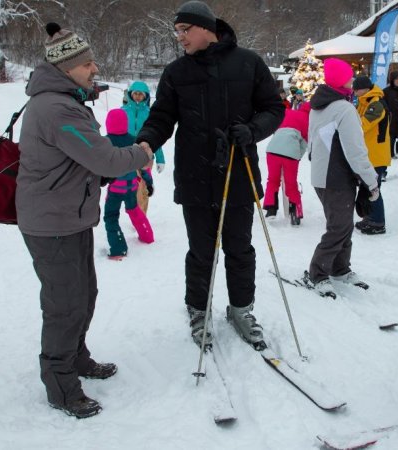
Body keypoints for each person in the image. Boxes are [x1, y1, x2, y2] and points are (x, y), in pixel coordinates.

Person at [16, 22, 153, 419]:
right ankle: (61, 386)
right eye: (88, 63)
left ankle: (76, 358)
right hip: (51, 221)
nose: (96, 69)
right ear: (66, 68)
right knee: (64, 305)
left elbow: (85, 161)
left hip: (69, 216)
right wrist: (142, 152)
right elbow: (105, 158)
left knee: (84, 295)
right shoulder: (56, 107)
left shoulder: (67, 101)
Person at [135, 1, 284, 351]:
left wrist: (252, 130)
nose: (180, 37)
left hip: (238, 171)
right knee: (201, 252)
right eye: (177, 31)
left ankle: (241, 309)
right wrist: (144, 144)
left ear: (206, 28)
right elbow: (161, 118)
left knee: (240, 249)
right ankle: (199, 310)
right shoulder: (176, 72)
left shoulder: (249, 63)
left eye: (185, 30)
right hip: (195, 175)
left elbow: (275, 108)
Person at [299, 59, 379, 299]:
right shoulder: (344, 109)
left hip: (324, 176)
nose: (353, 80)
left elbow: (314, 141)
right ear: (341, 80)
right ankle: (317, 273)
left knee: (341, 225)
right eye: (349, 76)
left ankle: (340, 268)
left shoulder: (318, 106)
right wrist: (371, 180)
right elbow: (355, 150)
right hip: (336, 177)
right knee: (339, 227)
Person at [103, 108, 155, 260]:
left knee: (111, 216)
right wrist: (149, 182)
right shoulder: (134, 141)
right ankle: (147, 236)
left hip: (115, 189)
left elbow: (98, 163)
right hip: (132, 187)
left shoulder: (105, 143)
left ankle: (118, 249)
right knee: (134, 210)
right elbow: (143, 165)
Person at [352, 76, 390, 235]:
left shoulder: (376, 103)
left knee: (373, 188)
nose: (354, 92)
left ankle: (378, 222)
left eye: (356, 89)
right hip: (368, 153)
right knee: (367, 188)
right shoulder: (363, 102)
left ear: (365, 88)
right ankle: (370, 217)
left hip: (376, 154)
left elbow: (363, 125)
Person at [262, 103, 310, 224]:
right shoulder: (309, 120)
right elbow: (304, 144)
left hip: (272, 149)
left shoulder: (288, 112)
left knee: (272, 180)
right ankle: (296, 214)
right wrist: (298, 156)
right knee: (291, 183)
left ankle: (271, 209)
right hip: (290, 153)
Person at [122, 81, 165, 214]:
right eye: (135, 93)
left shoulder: (150, 114)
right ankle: (132, 210)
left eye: (141, 94)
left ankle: (141, 214)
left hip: (146, 156)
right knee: (129, 186)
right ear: (131, 94)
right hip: (127, 154)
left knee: (143, 187)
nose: (138, 97)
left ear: (146, 96)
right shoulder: (123, 112)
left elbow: (155, 137)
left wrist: (160, 158)